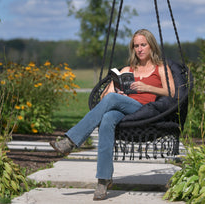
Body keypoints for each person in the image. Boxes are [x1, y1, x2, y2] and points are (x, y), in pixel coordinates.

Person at [50, 29, 175, 201]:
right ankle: (103, 180)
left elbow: (172, 91)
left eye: (143, 45)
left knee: (113, 100)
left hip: (146, 111)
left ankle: (71, 140)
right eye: (136, 46)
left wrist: (147, 88)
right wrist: (118, 92)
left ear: (151, 45)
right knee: (108, 118)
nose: (139, 49)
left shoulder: (160, 67)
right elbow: (105, 97)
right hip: (125, 108)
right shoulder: (127, 69)